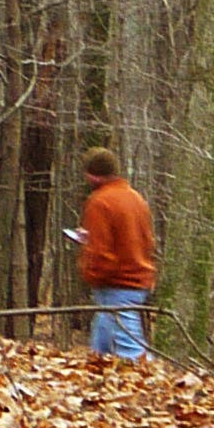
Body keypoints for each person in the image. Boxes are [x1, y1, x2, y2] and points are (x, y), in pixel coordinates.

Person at [74, 146, 157, 360]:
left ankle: (153, 380)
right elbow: (144, 240)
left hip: (118, 284)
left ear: (93, 175)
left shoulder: (100, 202)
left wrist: (91, 273)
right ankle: (95, 374)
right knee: (100, 349)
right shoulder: (135, 198)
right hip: (136, 280)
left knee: (132, 353)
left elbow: (101, 253)